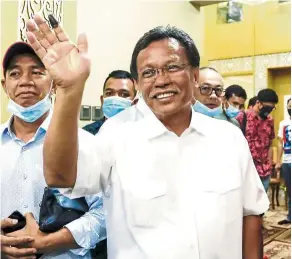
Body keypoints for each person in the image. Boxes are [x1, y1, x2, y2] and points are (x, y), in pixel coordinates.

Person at [27, 14, 268, 259]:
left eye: (172, 67)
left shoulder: (228, 138)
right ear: (139, 84)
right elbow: (59, 175)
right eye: (149, 72)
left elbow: (251, 213)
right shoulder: (116, 134)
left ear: (195, 76)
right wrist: (69, 91)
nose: (161, 80)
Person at [0, 42, 106, 259]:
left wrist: (49, 242)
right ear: (4, 85)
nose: (25, 82)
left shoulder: (84, 143)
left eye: (37, 72)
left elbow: (105, 213)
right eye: (15, 73)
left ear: (55, 84)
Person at [237, 89, 278, 193]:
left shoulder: (270, 121)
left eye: (272, 108)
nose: (269, 110)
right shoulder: (243, 117)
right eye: (267, 107)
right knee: (245, 207)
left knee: (261, 206)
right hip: (246, 171)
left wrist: (269, 164)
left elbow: (270, 144)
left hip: (264, 172)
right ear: (258, 103)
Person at [83, 70, 136, 135]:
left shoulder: (143, 135)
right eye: (109, 93)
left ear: (135, 103)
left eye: (124, 94)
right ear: (102, 101)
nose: (115, 99)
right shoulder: (87, 133)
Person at [276, 98, 291, 225]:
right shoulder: (283, 123)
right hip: (287, 160)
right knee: (289, 189)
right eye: (289, 106)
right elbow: (280, 143)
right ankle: (290, 216)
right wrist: (278, 161)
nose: (290, 108)